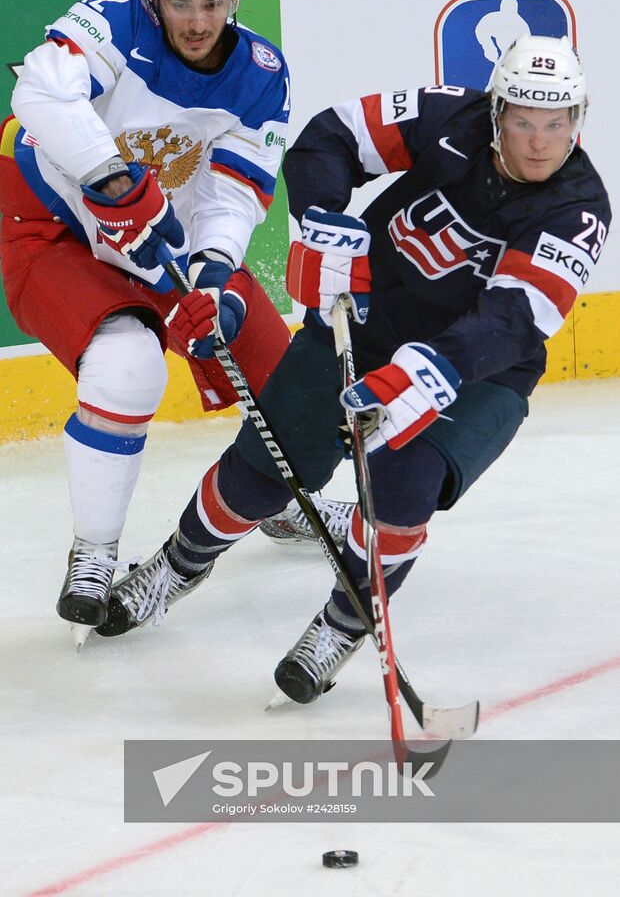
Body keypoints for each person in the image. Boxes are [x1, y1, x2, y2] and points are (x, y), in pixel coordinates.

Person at [95, 35, 610, 709]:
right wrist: (324, 220)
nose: (540, 141)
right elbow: (327, 138)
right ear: (496, 115)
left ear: (579, 118)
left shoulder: (578, 209)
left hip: (479, 373)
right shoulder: (448, 115)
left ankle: (340, 627)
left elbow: (512, 319)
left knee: (401, 486)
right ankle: (178, 564)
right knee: (262, 472)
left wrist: (429, 372)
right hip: (364, 321)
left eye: (557, 122)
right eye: (522, 121)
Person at [0, 0, 305, 637]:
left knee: (290, 390)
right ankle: (95, 551)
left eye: (212, 3)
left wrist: (212, 272)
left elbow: (232, 193)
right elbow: (39, 94)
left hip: (153, 234)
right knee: (127, 362)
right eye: (178, 3)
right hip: (51, 224)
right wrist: (110, 176)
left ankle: (282, 500)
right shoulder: (113, 19)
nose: (196, 22)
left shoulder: (262, 75)